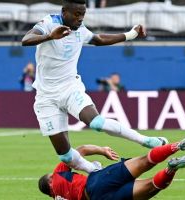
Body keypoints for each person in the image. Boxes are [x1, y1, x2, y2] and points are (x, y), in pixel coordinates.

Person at [21, 0, 167, 174]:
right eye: (77, 14)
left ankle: (148, 141)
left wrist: (130, 34)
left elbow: (98, 39)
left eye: (83, 14)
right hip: (45, 96)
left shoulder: (80, 30)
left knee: (97, 122)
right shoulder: (49, 23)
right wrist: (50, 36)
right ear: (64, 11)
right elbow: (26, 39)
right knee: (65, 156)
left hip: (70, 88)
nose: (80, 18)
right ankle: (94, 170)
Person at [38, 130, 185, 200]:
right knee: (145, 161)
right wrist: (102, 150)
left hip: (102, 199)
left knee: (151, 187)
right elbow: (80, 150)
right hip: (96, 182)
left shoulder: (58, 197)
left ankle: (171, 168)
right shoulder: (58, 174)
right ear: (51, 181)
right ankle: (177, 146)